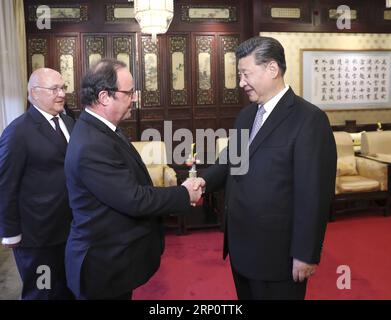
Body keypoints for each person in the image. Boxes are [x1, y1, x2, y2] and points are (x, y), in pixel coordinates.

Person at [192, 36, 337, 300]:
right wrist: (204, 182)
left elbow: (313, 194)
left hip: (277, 254)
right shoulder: (247, 115)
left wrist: (306, 253)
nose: (241, 83)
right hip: (241, 246)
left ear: (272, 69)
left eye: (246, 74)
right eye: (239, 75)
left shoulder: (309, 120)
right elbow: (231, 159)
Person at [64, 58, 202, 300]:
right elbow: (134, 198)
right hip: (102, 265)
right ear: (105, 97)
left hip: (114, 260)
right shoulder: (92, 143)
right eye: (129, 92)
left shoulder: (102, 129)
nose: (135, 98)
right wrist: (184, 193)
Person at [0, 68, 75, 299]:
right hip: (37, 236)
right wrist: (10, 232)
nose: (61, 93)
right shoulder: (18, 131)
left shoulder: (68, 121)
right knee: (43, 292)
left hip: (70, 228)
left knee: (66, 288)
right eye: (54, 89)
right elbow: (5, 184)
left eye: (63, 87)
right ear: (34, 93)